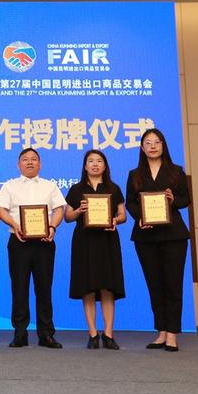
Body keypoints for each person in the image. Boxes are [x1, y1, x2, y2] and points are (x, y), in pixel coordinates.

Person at [125, 128, 191, 352]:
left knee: (173, 283)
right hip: (146, 236)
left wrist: (172, 200)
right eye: (148, 143)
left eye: (156, 142)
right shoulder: (135, 174)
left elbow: (186, 199)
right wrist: (140, 218)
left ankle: (172, 333)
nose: (152, 146)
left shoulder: (176, 171)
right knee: (154, 283)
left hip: (174, 235)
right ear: (142, 148)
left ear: (163, 145)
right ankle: (161, 331)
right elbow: (131, 202)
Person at [0, 148, 66, 348]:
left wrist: (52, 226)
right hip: (19, 242)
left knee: (44, 288)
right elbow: (0, 209)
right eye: (25, 159)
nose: (30, 162)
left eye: (34, 159)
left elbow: (59, 209)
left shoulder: (50, 186)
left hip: (44, 243)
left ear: (40, 164)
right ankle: (20, 332)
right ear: (18, 165)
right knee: (19, 288)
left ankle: (46, 334)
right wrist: (14, 224)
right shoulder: (10, 186)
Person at [64, 150, 127, 350]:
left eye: (99, 161)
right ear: (85, 166)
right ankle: (92, 334)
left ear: (105, 166)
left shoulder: (113, 188)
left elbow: (123, 215)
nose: (95, 164)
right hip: (84, 242)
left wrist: (115, 220)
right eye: (90, 161)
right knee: (88, 287)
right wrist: (78, 211)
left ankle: (108, 334)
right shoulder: (76, 189)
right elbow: (67, 217)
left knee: (108, 287)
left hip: (107, 240)